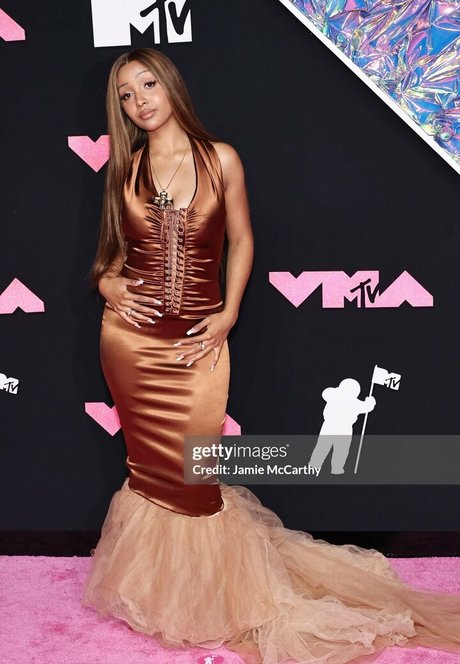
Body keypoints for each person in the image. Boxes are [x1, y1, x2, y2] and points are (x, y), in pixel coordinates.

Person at [82, 48, 460, 664]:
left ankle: (213, 596)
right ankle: (165, 597)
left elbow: (242, 238)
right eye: (125, 94)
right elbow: (110, 256)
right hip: (130, 343)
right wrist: (108, 285)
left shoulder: (221, 158)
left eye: (148, 84)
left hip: (198, 341)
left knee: (195, 478)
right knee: (150, 473)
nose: (139, 100)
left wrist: (228, 312)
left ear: (171, 84)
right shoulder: (126, 169)